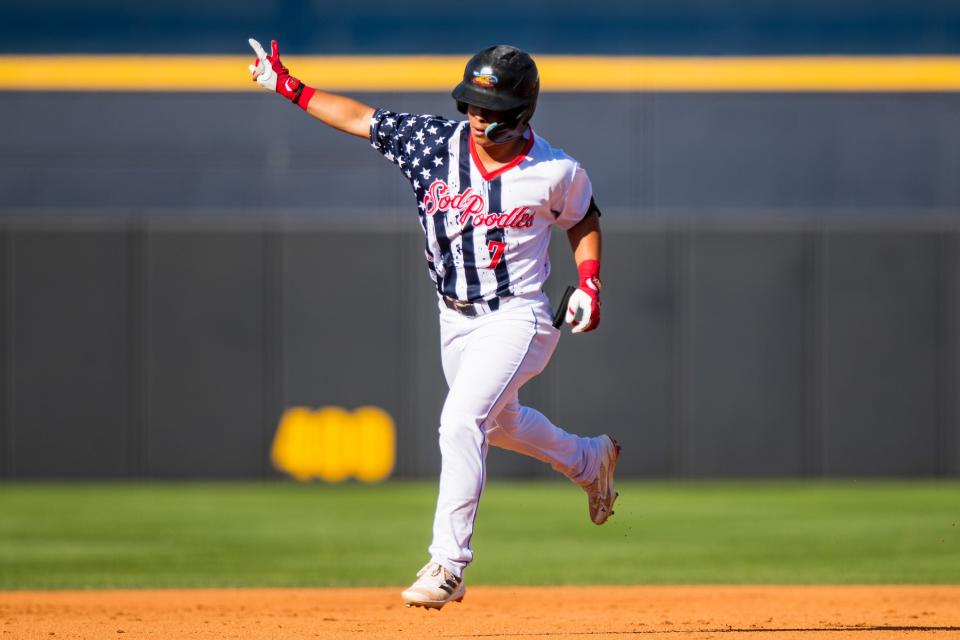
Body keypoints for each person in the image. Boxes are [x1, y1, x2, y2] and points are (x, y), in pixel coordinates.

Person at [248, 39, 620, 610]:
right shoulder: (431, 144)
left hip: (518, 314)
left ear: (522, 113)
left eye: (489, 108)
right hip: (455, 317)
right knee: (498, 424)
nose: (475, 116)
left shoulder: (555, 170)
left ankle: (448, 564)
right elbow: (358, 117)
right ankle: (588, 460)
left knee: (459, 421)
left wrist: (589, 282)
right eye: (470, 103)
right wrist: (288, 85)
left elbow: (583, 218)